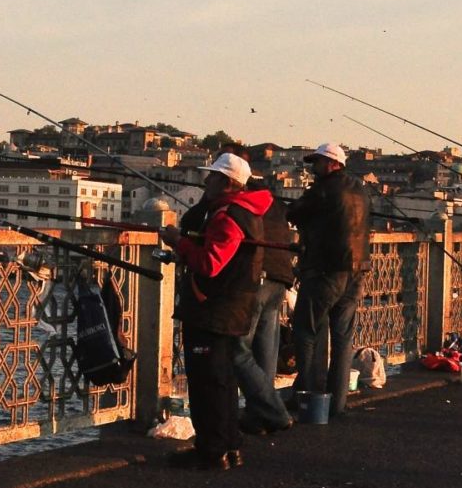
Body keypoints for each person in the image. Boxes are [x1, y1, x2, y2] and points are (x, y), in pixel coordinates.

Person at [159, 152, 270, 469]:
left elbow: (210, 263)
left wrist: (179, 242)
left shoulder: (227, 215)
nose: (206, 181)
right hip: (232, 305)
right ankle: (229, 446)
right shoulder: (248, 212)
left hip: (213, 308)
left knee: (207, 383)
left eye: (213, 176)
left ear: (227, 182)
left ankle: (212, 451)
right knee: (222, 380)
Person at [286, 142, 371, 417]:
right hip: (358, 271)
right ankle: (337, 404)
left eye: (318, 162)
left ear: (333, 164)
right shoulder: (360, 189)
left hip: (326, 270)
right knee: (343, 338)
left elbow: (293, 213)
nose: (313, 167)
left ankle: (309, 398)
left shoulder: (323, 190)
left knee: (306, 331)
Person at [236, 176, 295, 435]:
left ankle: (272, 410)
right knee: (266, 350)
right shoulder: (278, 206)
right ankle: (258, 413)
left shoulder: (248, 207)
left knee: (238, 348)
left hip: (258, 278)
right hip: (281, 279)